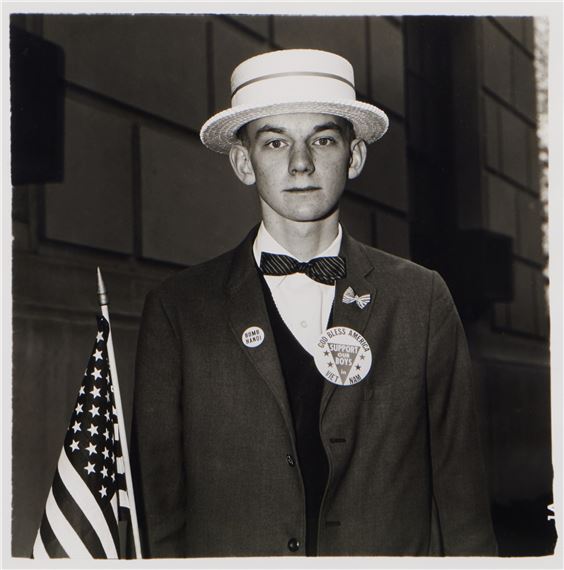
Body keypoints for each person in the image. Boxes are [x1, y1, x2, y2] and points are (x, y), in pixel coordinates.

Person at [131, 49, 498, 558]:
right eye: (275, 141)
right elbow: (158, 511)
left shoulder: (421, 299)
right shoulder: (179, 310)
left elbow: (463, 506)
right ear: (243, 161)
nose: (300, 163)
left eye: (322, 140)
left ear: (355, 156)